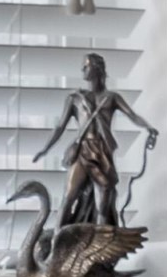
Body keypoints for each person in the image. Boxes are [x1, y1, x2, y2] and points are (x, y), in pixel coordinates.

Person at [34, 53, 156, 230]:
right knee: (69, 197)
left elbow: (132, 115)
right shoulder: (75, 99)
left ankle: (98, 245)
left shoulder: (111, 97)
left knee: (103, 204)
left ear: (97, 68)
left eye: (87, 65)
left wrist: (148, 127)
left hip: (102, 152)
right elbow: (60, 126)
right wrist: (45, 149)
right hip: (83, 150)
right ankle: (56, 242)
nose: (83, 69)